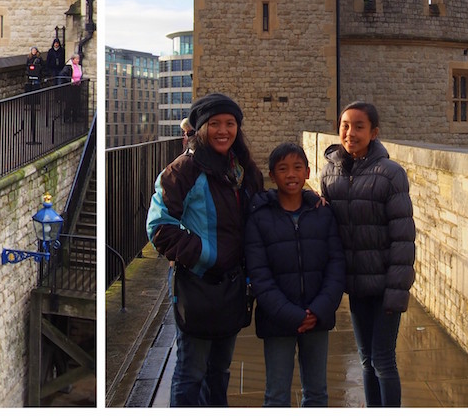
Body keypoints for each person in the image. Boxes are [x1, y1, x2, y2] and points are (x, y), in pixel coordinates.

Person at [146, 93, 264, 406]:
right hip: (198, 284)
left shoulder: (244, 171)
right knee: (190, 373)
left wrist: (308, 200)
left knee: (220, 371)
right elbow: (159, 227)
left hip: (234, 285)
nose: (223, 130)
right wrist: (206, 255)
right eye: (214, 124)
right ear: (200, 128)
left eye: (230, 123)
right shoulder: (183, 170)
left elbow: (263, 212)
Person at [320, 101, 415, 407]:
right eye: (345, 126)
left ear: (374, 133)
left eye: (359, 127)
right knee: (366, 360)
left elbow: (403, 239)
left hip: (385, 285)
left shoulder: (390, 174)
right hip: (357, 285)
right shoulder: (330, 172)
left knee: (383, 361)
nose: (350, 133)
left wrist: (396, 293)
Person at [245, 143, 345, 407]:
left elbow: (336, 266)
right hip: (278, 319)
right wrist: (293, 314)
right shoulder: (259, 217)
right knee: (276, 394)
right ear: (272, 175)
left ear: (308, 172)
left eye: (297, 168)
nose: (291, 174)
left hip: (317, 316)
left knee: (317, 392)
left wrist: (319, 309)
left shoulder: (323, 213)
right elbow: (259, 276)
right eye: (283, 169)